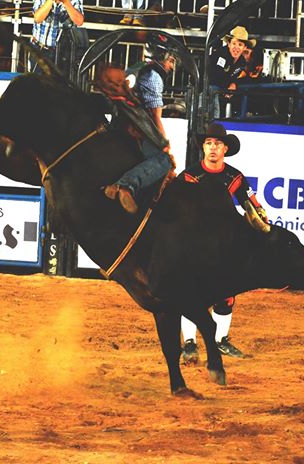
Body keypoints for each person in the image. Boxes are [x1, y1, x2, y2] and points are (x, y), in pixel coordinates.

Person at [178, 123, 270, 362]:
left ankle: (220, 340)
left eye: (217, 144)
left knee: (226, 292)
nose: (212, 148)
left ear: (225, 149)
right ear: (203, 147)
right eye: (208, 143)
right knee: (191, 292)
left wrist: (260, 217)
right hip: (194, 242)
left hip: (224, 243)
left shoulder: (234, 177)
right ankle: (189, 343)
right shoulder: (189, 177)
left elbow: (252, 204)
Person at [103, 36, 176, 213]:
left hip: (119, 122)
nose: (172, 66)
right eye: (171, 61)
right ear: (162, 57)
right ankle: (126, 186)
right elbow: (154, 115)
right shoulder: (154, 77)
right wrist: (164, 144)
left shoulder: (135, 69)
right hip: (136, 128)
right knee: (163, 160)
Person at [31, 0, 84, 70]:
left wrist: (66, 2)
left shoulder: (74, 0)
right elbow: (38, 18)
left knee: (59, 82)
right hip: (40, 49)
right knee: (37, 81)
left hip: (63, 54)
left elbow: (79, 21)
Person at [208, 26, 255, 118]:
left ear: (244, 47)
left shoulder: (241, 61)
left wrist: (234, 84)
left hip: (220, 90)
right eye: (234, 43)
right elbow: (217, 74)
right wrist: (227, 86)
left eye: (240, 45)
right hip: (203, 89)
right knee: (213, 114)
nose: (236, 48)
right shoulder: (221, 55)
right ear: (229, 44)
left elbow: (236, 77)